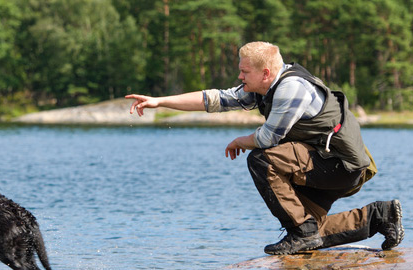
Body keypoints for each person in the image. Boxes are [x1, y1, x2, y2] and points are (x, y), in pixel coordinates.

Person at [127, 41, 404, 255]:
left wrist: (238, 141)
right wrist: (159, 101)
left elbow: (268, 138)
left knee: (262, 160)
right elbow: (215, 99)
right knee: (310, 230)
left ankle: (302, 231)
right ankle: (380, 216)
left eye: (244, 71)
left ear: (266, 73)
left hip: (339, 166)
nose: (239, 76)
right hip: (322, 166)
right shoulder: (264, 87)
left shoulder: (290, 89)